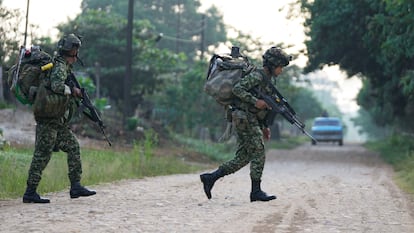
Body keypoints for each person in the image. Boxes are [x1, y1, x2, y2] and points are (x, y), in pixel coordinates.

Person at [200, 47, 291, 202]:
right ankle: (255, 192)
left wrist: (265, 126)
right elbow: (237, 89)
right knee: (259, 151)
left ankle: (211, 178)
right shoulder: (257, 76)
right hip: (243, 116)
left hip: (248, 117)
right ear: (272, 64)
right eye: (280, 67)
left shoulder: (266, 80)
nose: (281, 70)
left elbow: (264, 104)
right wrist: (256, 102)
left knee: (244, 156)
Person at [23, 34, 96, 203]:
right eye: (75, 50)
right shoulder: (60, 67)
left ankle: (76, 186)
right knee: (42, 155)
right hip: (48, 120)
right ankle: (30, 192)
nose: (77, 53)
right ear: (71, 51)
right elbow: (56, 86)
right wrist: (74, 91)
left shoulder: (62, 66)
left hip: (56, 120)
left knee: (73, 147)